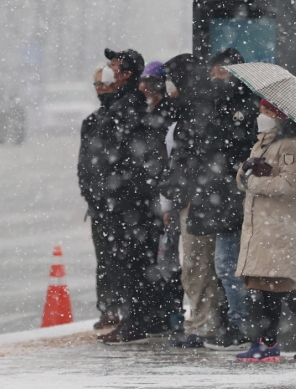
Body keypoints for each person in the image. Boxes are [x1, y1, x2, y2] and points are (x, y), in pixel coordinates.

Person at [233, 99, 296, 363]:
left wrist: (255, 181)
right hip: (261, 227)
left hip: (276, 228)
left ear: (281, 116)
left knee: (283, 285)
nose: (261, 115)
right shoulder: (263, 142)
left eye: (268, 111)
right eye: (262, 110)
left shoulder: (290, 146)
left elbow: (289, 185)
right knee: (267, 286)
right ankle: (268, 343)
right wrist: (245, 172)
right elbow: (244, 180)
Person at [185, 48, 259, 351]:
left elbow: (235, 150)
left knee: (229, 264)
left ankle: (242, 324)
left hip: (236, 197)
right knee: (224, 264)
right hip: (218, 197)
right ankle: (237, 321)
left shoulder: (244, 107)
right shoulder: (212, 105)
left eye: (222, 72)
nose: (216, 77)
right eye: (214, 71)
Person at [96, 49, 168, 344]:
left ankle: (135, 321)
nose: (108, 70)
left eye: (114, 65)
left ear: (126, 74)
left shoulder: (130, 106)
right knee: (132, 262)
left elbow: (131, 153)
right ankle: (142, 319)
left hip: (133, 200)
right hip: (129, 199)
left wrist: (123, 188)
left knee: (133, 263)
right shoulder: (122, 103)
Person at [160, 54, 221, 347]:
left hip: (198, 203)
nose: (170, 88)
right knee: (198, 265)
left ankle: (201, 325)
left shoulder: (196, 112)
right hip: (195, 199)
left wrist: (187, 196)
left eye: (173, 80)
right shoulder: (193, 110)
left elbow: (193, 161)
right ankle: (201, 321)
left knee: (197, 265)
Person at [139, 61, 184, 334]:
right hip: (151, 196)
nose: (145, 88)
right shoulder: (147, 114)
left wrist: (166, 199)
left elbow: (168, 157)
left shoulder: (168, 114)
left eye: (150, 83)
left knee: (167, 259)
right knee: (156, 260)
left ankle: (173, 313)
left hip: (165, 196)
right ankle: (160, 312)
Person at [78, 66, 120, 330]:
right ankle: (108, 309)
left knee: (123, 260)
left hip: (125, 203)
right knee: (104, 260)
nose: (101, 89)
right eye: (97, 85)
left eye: (105, 83)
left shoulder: (125, 118)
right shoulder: (92, 122)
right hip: (100, 204)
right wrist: (92, 196)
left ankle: (124, 308)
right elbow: (84, 167)